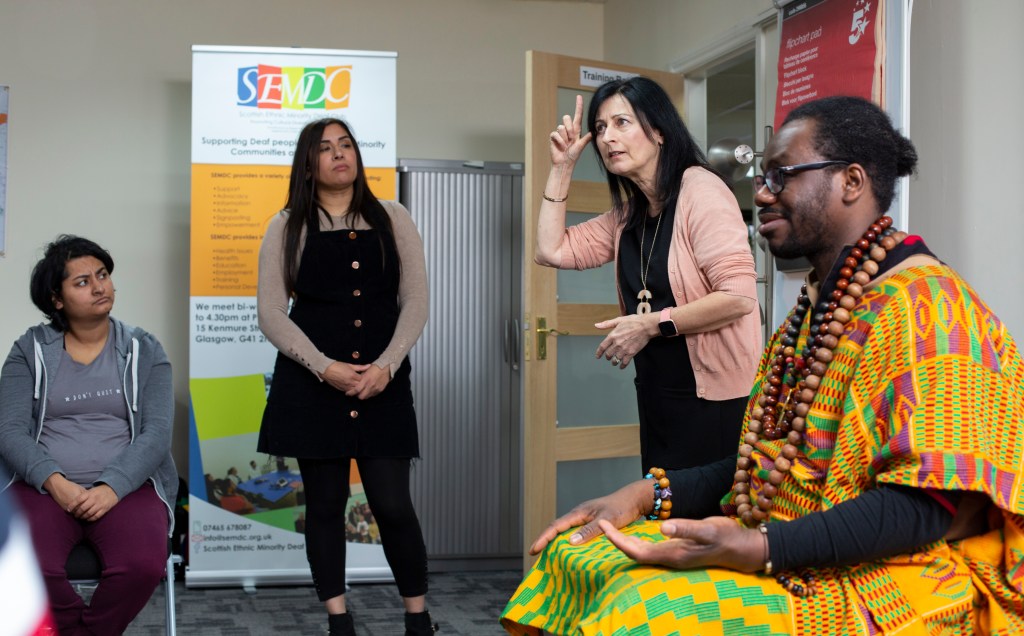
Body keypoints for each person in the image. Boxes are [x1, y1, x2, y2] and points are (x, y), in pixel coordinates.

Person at [501, 96, 1024, 635]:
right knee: (577, 558)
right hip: (786, 537)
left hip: (896, 569)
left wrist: (760, 548)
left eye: (781, 175)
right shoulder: (818, 307)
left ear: (851, 181)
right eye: (762, 176)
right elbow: (773, 460)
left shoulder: (932, 310)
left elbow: (929, 506)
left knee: (643, 612)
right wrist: (645, 494)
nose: (761, 192)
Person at [257, 118, 435, 636]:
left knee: (393, 504)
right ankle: (339, 620)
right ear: (308, 164)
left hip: (384, 383)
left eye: (347, 145)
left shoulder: (393, 217)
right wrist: (324, 368)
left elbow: (416, 300)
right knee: (327, 506)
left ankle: (418, 616)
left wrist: (387, 365)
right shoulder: (286, 224)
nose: (340, 155)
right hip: (313, 386)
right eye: (326, 149)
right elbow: (271, 312)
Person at [535, 77, 761, 472]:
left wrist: (652, 325)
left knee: (705, 525)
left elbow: (739, 297)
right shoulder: (630, 214)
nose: (608, 138)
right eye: (601, 128)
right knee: (664, 521)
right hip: (659, 396)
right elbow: (550, 250)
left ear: (658, 131)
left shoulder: (701, 190)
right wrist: (562, 168)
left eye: (622, 123)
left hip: (715, 402)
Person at [0, 235, 178, 635]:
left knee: (142, 565)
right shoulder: (28, 351)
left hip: (128, 487)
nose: (99, 286)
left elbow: (156, 434)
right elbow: (8, 430)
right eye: (82, 281)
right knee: (23, 567)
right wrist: (55, 482)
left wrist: (112, 486)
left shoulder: (144, 349)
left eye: (102, 275)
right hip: (44, 487)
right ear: (56, 300)